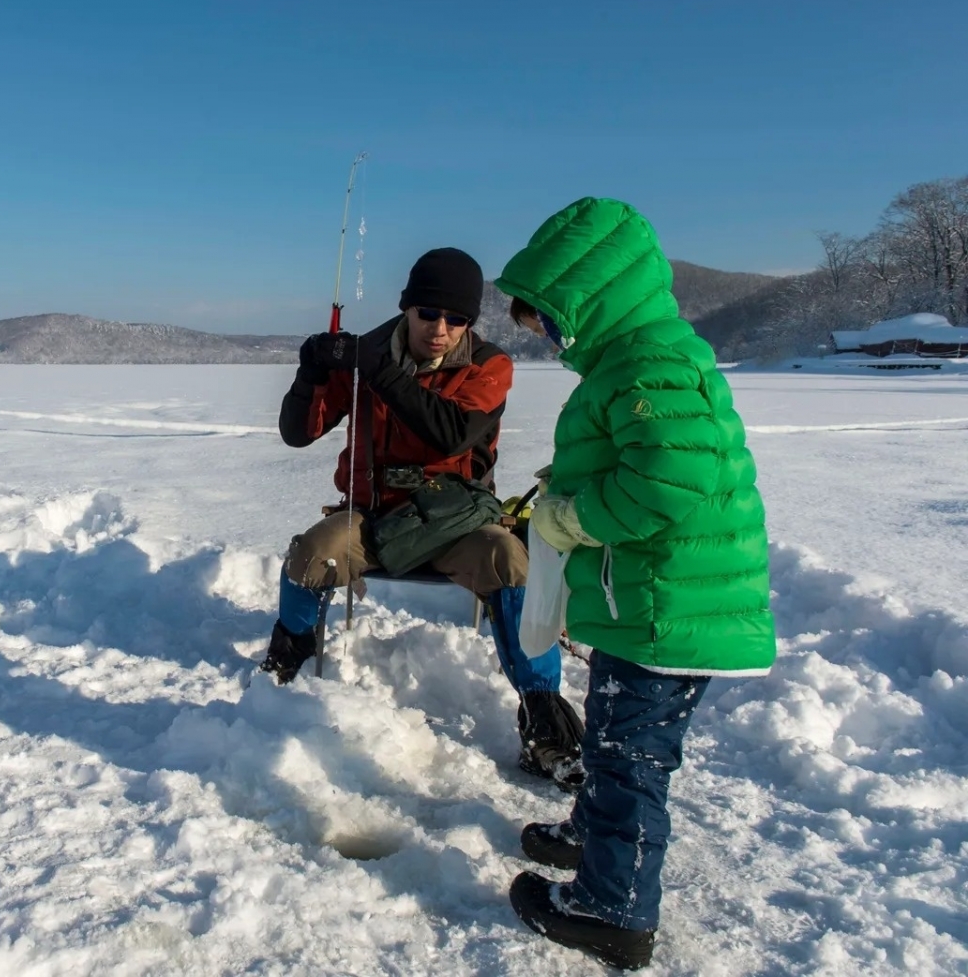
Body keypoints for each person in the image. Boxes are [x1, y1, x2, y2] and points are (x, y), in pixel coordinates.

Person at [495, 198, 776, 970]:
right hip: (657, 605)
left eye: (550, 322)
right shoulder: (640, 359)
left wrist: (576, 519)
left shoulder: (648, 365)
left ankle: (612, 908)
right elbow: (645, 459)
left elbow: (668, 482)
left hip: (665, 609)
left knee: (629, 759)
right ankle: (593, 837)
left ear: (593, 299)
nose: (548, 341)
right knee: (620, 734)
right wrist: (570, 484)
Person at [261, 247, 587, 790]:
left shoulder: (489, 366)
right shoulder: (367, 359)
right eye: (429, 314)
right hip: (372, 515)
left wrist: (378, 370)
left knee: (509, 559)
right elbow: (300, 431)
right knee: (310, 554)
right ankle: (288, 654)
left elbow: (451, 433)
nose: (441, 329)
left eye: (457, 319)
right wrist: (311, 371)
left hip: (455, 522)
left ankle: (544, 717)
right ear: (406, 308)